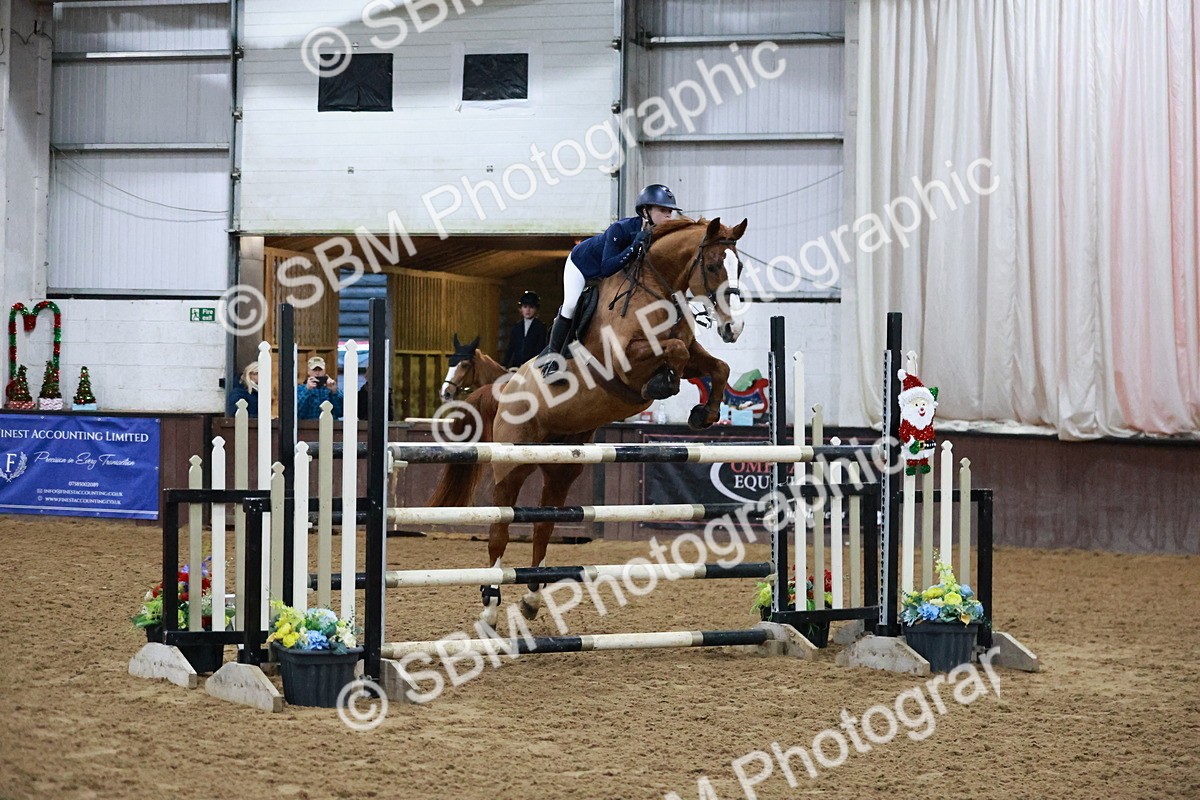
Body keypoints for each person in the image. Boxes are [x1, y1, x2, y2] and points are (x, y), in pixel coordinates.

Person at [538, 183, 682, 374]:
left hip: (612, 276)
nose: (668, 215)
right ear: (646, 211)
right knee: (571, 304)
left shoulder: (658, 237)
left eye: (670, 211)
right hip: (582, 266)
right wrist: (633, 247)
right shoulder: (620, 229)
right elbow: (607, 267)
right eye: (663, 210)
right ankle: (552, 360)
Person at [502, 290, 549, 368]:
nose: (528, 310)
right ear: (521, 309)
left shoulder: (540, 327)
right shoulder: (516, 327)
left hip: (533, 367)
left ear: (536, 309)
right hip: (517, 366)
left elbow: (540, 348)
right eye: (525, 307)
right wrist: (504, 364)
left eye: (531, 307)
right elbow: (511, 348)